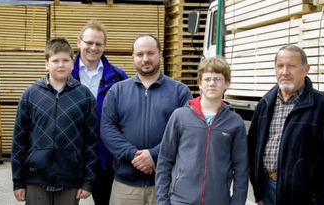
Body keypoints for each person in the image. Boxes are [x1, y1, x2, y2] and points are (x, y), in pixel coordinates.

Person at [248, 44, 324, 205]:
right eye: (280, 66)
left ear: (306, 69)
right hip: (269, 191)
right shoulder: (265, 104)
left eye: (292, 66)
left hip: (304, 198)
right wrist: (259, 194)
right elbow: (253, 150)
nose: (285, 72)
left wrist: (323, 201)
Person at [101, 34, 193, 205]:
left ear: (160, 55)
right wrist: (133, 155)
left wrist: (155, 154)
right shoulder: (117, 91)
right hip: (125, 188)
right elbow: (107, 129)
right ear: (133, 57)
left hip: (167, 184)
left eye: (151, 53)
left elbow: (187, 131)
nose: (145, 59)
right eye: (140, 54)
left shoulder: (180, 92)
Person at [11, 37, 98, 205]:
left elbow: (91, 142)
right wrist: (18, 181)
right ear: (46, 64)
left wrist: (88, 180)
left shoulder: (84, 96)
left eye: (66, 60)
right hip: (35, 177)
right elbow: (19, 141)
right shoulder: (31, 95)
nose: (60, 65)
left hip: (70, 178)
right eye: (55, 60)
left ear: (73, 64)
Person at [155, 57, 248, 205]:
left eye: (218, 79)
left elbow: (241, 169)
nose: (212, 83)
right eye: (207, 79)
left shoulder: (234, 122)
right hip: (181, 201)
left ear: (227, 83)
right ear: (199, 83)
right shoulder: (180, 116)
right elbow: (165, 161)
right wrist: (162, 201)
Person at [72, 19, 128, 205]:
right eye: (89, 42)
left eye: (98, 43)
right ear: (79, 42)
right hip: (70, 157)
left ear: (105, 46)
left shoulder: (119, 78)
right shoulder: (64, 74)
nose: (93, 48)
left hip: (105, 158)